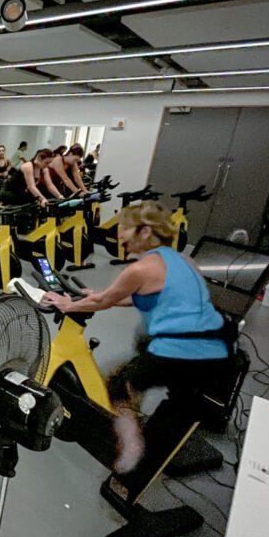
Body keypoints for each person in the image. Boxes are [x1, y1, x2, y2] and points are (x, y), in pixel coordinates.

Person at [43, 201, 234, 473]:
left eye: (125, 228)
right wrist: (93, 296)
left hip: (185, 353)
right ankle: (153, 445)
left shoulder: (140, 269)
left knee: (119, 385)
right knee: (172, 399)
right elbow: (137, 296)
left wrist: (69, 305)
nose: (119, 235)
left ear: (145, 232)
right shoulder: (183, 260)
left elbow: (106, 302)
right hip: (219, 350)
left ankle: (132, 447)